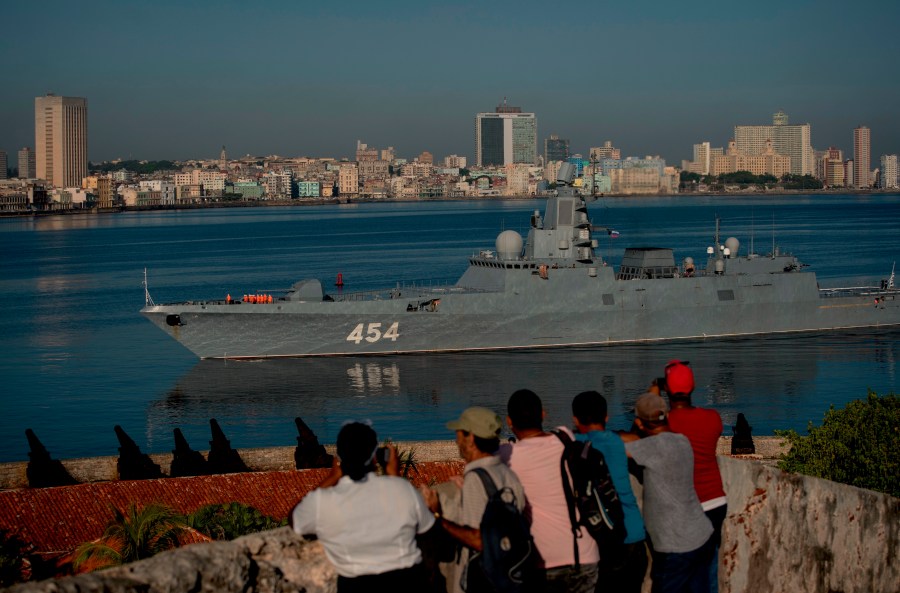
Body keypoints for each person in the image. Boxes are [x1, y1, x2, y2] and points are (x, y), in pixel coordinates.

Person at [289, 421, 435, 592]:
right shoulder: (401, 489)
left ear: (339, 459)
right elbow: (427, 529)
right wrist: (394, 476)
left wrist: (332, 477)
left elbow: (295, 519)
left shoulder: (324, 501)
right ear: (374, 458)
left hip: (356, 586)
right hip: (408, 583)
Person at [499, 389, 600, 593]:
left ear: (509, 421)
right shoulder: (565, 437)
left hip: (542, 562)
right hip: (583, 554)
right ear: (543, 414)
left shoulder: (507, 456)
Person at [420, 406, 527, 593]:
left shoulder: (476, 480)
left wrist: (437, 514)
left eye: (459, 433)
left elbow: (478, 540)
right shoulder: (508, 474)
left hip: (482, 579)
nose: (456, 439)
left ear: (470, 439)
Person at [624, 392, 714, 593]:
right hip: (701, 535)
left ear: (639, 423)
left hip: (674, 544)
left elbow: (615, 447)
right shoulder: (682, 441)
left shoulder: (650, 447)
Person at [571, 390, 648, 593]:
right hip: (632, 533)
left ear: (575, 419)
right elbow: (636, 437)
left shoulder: (572, 446)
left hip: (601, 539)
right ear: (606, 417)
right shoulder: (616, 442)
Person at [662, 360, 728, 593]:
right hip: (714, 503)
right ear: (694, 387)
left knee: (674, 578)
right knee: (708, 572)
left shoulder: (664, 424)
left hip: (682, 509)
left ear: (667, 389)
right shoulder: (713, 418)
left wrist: (653, 398)